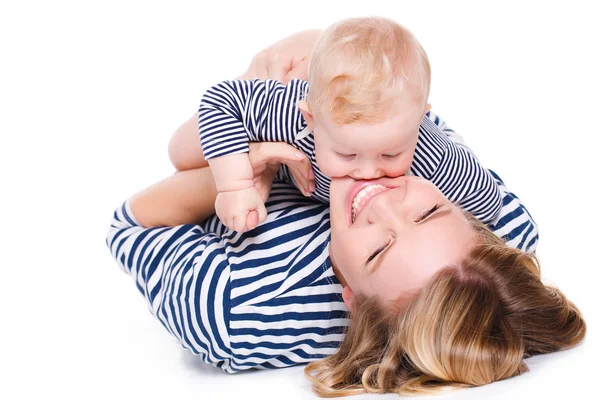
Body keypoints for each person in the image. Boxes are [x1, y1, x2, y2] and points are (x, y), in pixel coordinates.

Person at [106, 140, 585, 396]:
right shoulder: (506, 228)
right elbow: (413, 114)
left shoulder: (237, 310)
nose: (380, 202)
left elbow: (132, 223)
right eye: (427, 213)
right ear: (466, 215)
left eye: (378, 251)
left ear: (351, 297)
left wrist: (243, 169)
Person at [185, 17, 503, 233]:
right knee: (182, 156)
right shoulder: (290, 113)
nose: (367, 173)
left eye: (390, 155)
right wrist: (235, 185)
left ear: (419, 124)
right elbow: (219, 99)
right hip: (282, 96)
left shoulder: (431, 159)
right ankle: (301, 51)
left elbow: (488, 203)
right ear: (312, 120)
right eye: (347, 156)